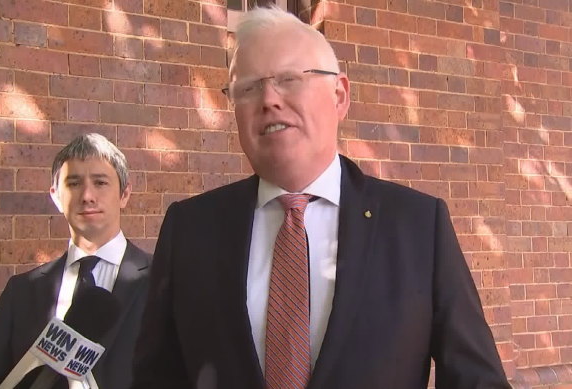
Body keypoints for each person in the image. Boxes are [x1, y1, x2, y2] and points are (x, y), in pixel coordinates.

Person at [131, 6, 510, 389]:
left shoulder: (417, 226)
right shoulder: (191, 229)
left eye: (289, 79)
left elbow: (478, 381)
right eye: (247, 87)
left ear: (339, 95)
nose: (268, 100)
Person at [0, 133, 151, 389]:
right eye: (74, 183)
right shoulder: (21, 292)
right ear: (55, 195)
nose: (87, 195)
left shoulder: (165, 281)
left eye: (100, 182)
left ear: (124, 193)